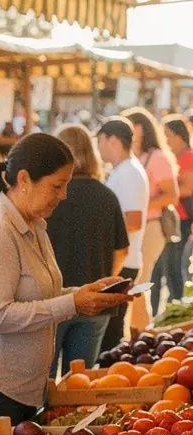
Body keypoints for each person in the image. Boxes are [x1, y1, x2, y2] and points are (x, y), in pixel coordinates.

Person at [0, 133, 130, 435]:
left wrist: (83, 292)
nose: (64, 195)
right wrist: (72, 303)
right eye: (57, 185)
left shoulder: (34, 224)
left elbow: (40, 295)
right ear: (24, 179)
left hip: (21, 383)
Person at [47, 124, 129, 373]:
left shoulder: (47, 196)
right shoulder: (107, 195)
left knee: (41, 384)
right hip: (95, 302)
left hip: (52, 302)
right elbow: (122, 250)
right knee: (79, 382)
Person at [122, 107, 180, 323]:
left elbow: (172, 195)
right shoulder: (135, 156)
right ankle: (138, 335)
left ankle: (142, 336)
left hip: (153, 227)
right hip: (137, 227)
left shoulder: (157, 157)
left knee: (138, 284)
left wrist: (142, 205)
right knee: (135, 284)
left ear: (140, 129)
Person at [97, 117, 150, 351]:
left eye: (100, 141)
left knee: (111, 335)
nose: (98, 148)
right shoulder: (124, 170)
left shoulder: (129, 172)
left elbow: (133, 220)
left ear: (113, 140)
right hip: (123, 259)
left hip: (123, 261)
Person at [164, 115, 193, 298]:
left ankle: (179, 303)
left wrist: (166, 191)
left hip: (182, 219)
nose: (165, 139)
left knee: (175, 267)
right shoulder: (176, 156)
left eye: (167, 135)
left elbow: (189, 189)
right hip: (175, 218)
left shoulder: (188, 157)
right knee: (170, 267)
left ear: (178, 135)